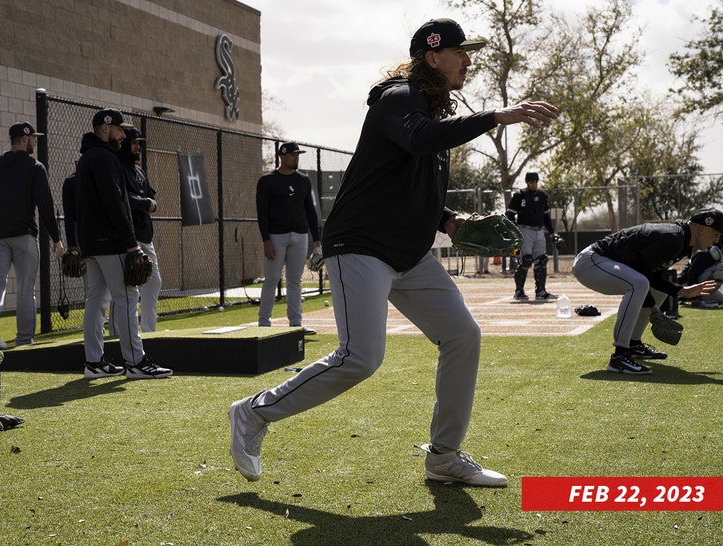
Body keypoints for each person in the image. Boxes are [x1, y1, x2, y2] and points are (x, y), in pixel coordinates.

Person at [229, 18, 558, 487]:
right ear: (432, 56)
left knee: (462, 335)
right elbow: (418, 139)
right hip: (361, 246)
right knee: (361, 357)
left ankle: (443, 456)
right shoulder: (398, 97)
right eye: (460, 52)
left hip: (408, 252)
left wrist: (450, 220)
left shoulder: (428, 111)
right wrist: (495, 117)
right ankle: (254, 412)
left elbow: (412, 179)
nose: (468, 60)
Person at [76, 109, 172, 379]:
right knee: (128, 297)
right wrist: (132, 245)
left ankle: (94, 362)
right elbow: (115, 203)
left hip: (92, 244)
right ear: (105, 129)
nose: (122, 134)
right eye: (119, 129)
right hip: (111, 242)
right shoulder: (105, 158)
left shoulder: (86, 158)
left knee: (96, 300)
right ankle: (136, 362)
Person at [572, 208, 723, 375]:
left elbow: (651, 274)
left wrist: (681, 291)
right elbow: (640, 272)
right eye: (715, 234)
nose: (716, 240)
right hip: (590, 263)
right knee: (639, 283)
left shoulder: (681, 239)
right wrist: (655, 308)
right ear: (702, 230)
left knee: (658, 290)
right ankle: (619, 356)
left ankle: (633, 344)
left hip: (603, 263)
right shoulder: (674, 239)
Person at [0, 122, 63, 349]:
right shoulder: (35, 167)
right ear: (25, 139)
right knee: (26, 288)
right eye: (33, 138)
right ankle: (25, 339)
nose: (35, 141)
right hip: (24, 236)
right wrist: (56, 238)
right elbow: (45, 205)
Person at [255, 141, 320, 335]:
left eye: (297, 155)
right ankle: (264, 324)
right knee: (272, 279)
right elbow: (262, 213)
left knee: (295, 280)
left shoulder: (303, 180)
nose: (296, 158)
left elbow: (310, 210)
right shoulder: (267, 181)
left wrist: (317, 240)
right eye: (293, 155)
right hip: (275, 237)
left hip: (299, 236)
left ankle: (296, 324)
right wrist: (265, 240)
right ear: (282, 156)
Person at [112, 128, 162, 332]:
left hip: (144, 235)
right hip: (126, 236)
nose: (138, 147)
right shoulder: (117, 167)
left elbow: (150, 198)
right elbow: (121, 199)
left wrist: (150, 203)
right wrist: (145, 203)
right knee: (124, 287)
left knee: (154, 281)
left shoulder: (139, 170)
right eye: (134, 143)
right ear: (124, 144)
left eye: (139, 143)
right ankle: (116, 333)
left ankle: (149, 331)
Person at [505, 172, 558, 301]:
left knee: (542, 260)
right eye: (531, 182)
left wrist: (552, 233)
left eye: (535, 182)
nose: (534, 184)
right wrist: (513, 231)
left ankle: (541, 291)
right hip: (525, 229)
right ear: (527, 182)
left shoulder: (542, 196)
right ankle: (519, 291)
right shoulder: (519, 195)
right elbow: (510, 215)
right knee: (526, 260)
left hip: (539, 230)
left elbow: (546, 216)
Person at [684, 234, 723, 309]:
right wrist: (695, 298)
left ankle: (704, 297)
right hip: (686, 286)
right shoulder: (705, 253)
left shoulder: (720, 254)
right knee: (721, 268)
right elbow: (691, 274)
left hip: (700, 285)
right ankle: (699, 299)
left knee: (721, 299)